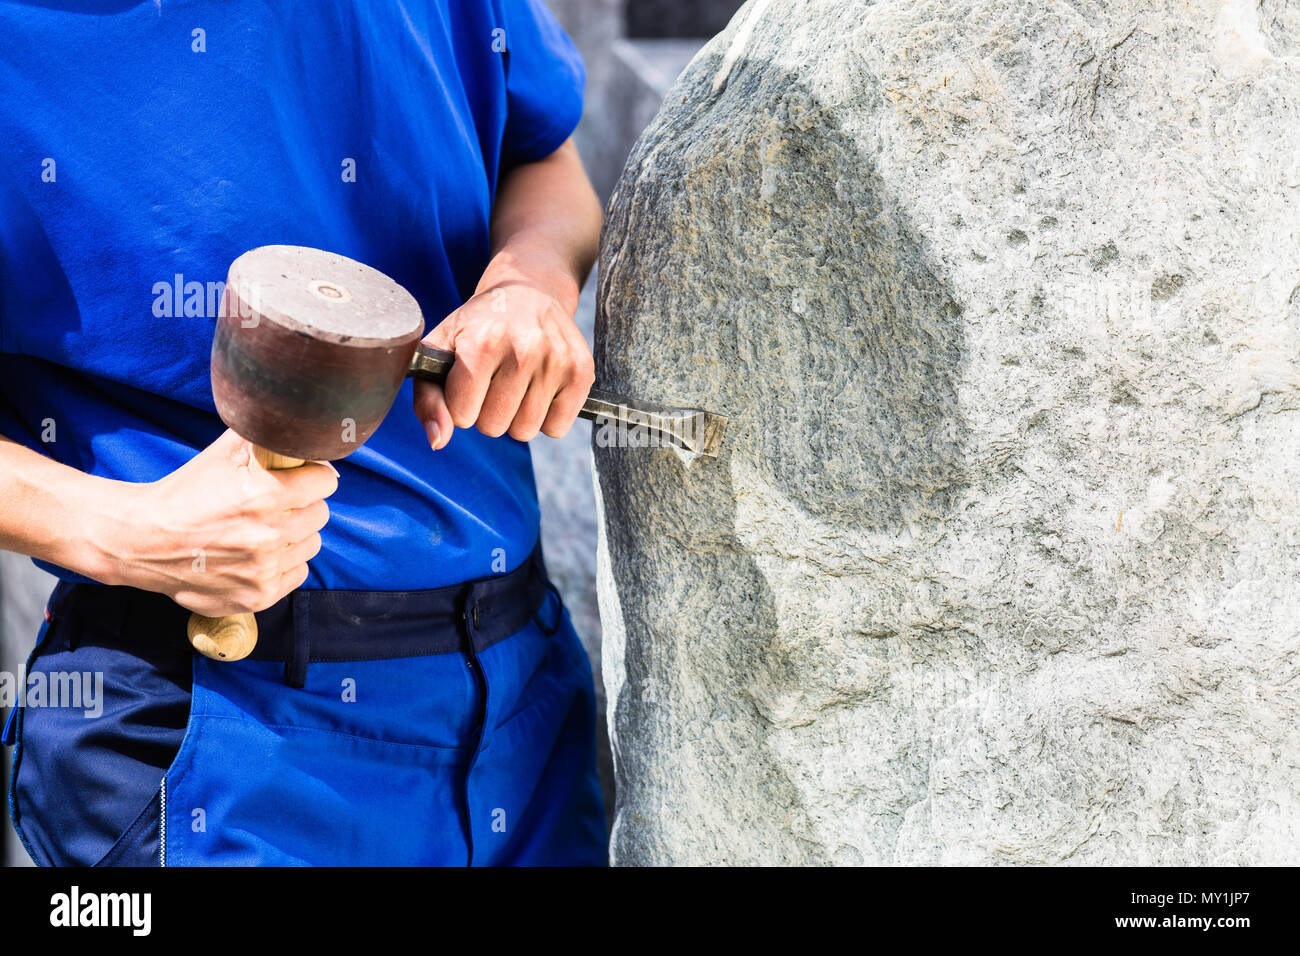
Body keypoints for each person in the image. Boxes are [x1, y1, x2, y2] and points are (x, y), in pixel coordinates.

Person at [0, 0, 607, 866]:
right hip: (212, 735)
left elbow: (541, 155)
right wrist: (122, 531)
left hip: (521, 700)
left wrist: (530, 283)